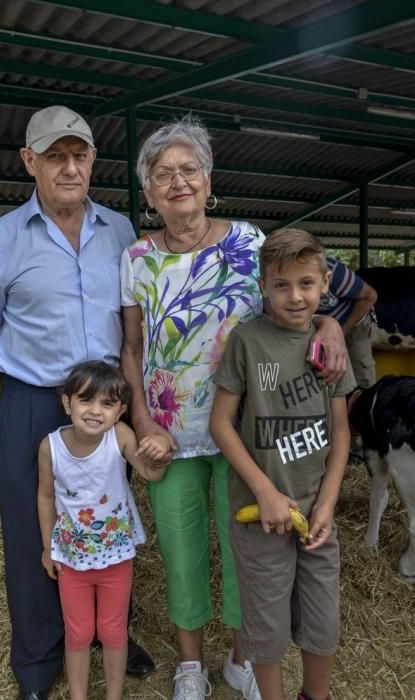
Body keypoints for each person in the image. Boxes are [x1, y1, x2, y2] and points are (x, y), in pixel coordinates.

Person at [120, 117, 347, 700]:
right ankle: (191, 666)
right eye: (163, 174)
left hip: (246, 434)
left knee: (252, 552)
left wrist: (330, 325)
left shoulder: (248, 242)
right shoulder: (137, 259)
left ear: (208, 179)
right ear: (148, 193)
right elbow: (133, 346)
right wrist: (142, 421)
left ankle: (243, 658)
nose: (178, 182)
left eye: (188, 169)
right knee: (181, 552)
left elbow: (297, 297)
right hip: (168, 436)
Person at [0, 105, 155, 700]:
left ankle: (113, 629)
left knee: (109, 517)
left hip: (105, 406)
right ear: (30, 161)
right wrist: (42, 373)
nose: (69, 167)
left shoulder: (122, 231)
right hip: (33, 403)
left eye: (79, 155)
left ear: (93, 160)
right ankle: (38, 661)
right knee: (33, 529)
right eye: (55, 156)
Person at [210, 228, 356, 700]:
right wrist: (265, 492)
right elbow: (221, 424)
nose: (295, 296)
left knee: (323, 621)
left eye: (306, 284)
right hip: (262, 516)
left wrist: (328, 505)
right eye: (281, 285)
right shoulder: (247, 343)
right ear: (264, 287)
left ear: (324, 283)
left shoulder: (330, 348)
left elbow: (340, 432)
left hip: (317, 513)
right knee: (266, 628)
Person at [38, 361, 168, 700]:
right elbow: (46, 496)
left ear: (121, 411)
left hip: (116, 558)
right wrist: (47, 547)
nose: (96, 411)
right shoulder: (50, 447)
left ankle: (114, 696)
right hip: (71, 560)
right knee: (78, 633)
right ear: (67, 403)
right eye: (86, 401)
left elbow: (150, 473)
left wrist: (160, 454)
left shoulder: (121, 436)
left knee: (113, 631)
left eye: (107, 404)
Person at [317, 256, 378, 389]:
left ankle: (366, 402)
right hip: (323, 325)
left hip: (355, 321)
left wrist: (341, 332)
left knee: (360, 368)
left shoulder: (334, 272)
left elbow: (371, 296)